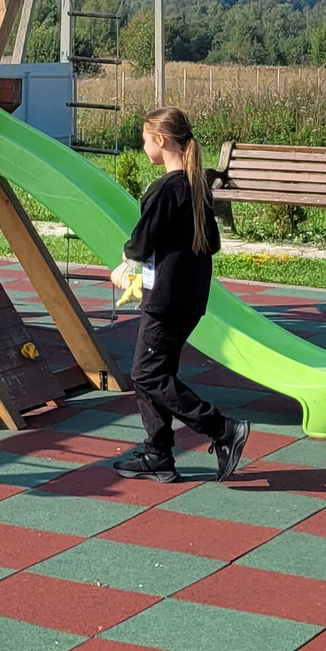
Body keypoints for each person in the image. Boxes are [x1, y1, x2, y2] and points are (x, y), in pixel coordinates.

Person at [107, 106, 250, 483]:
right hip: (189, 297)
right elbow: (211, 243)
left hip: (166, 299)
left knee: (146, 374)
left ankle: (222, 429)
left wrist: (126, 262)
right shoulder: (196, 185)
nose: (143, 146)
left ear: (161, 139)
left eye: (144, 139)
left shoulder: (167, 188)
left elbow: (143, 239)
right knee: (155, 372)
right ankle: (158, 454)